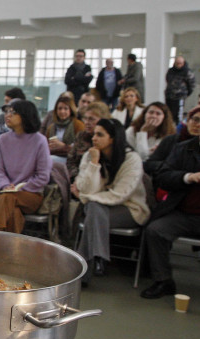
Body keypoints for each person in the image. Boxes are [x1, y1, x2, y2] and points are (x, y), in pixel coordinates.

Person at [71, 119, 150, 282]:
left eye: (100, 135)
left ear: (113, 138)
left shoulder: (131, 159)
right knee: (94, 208)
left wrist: (85, 197)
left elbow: (120, 194)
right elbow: (86, 188)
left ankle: (83, 271)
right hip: (98, 208)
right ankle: (98, 258)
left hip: (129, 208)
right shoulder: (90, 155)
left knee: (93, 209)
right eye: (94, 134)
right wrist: (94, 163)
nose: (94, 138)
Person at [140, 131, 200, 299]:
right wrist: (188, 177)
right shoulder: (183, 149)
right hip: (183, 212)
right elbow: (162, 177)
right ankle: (163, 280)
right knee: (156, 230)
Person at [0, 99, 52, 233]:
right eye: (7, 111)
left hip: (31, 194)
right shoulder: (3, 139)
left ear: (25, 115)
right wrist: (5, 185)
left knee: (5, 198)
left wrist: (19, 188)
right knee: (13, 211)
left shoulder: (39, 140)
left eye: (13, 112)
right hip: (7, 192)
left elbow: (43, 176)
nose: (7, 115)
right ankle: (10, 249)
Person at [144, 106, 200, 178]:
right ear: (188, 121)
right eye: (196, 119)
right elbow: (149, 164)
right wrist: (170, 164)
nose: (198, 125)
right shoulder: (171, 140)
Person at [67, 101, 112, 182]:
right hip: (77, 177)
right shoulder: (81, 135)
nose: (87, 122)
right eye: (85, 118)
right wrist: (77, 178)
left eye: (91, 119)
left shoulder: (108, 139)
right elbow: (71, 160)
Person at [45, 95, 84, 164]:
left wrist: (63, 146)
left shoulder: (78, 125)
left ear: (70, 110)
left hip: (71, 159)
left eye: (65, 109)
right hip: (53, 156)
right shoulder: (51, 127)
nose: (62, 111)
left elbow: (80, 148)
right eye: (60, 108)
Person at [165, 56, 196, 124]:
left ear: (183, 63)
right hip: (169, 96)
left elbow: (192, 84)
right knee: (168, 114)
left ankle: (177, 130)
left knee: (178, 115)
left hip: (180, 97)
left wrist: (185, 93)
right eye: (177, 63)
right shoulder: (170, 71)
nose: (178, 65)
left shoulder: (187, 72)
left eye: (180, 63)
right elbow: (168, 80)